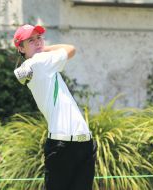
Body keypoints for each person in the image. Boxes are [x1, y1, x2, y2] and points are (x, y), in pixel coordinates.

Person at [13, 24, 96, 190]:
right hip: (63, 145)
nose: (38, 42)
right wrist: (45, 48)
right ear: (21, 48)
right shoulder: (40, 61)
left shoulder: (36, 64)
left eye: (39, 38)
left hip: (82, 142)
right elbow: (71, 49)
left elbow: (21, 73)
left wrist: (39, 49)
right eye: (31, 40)